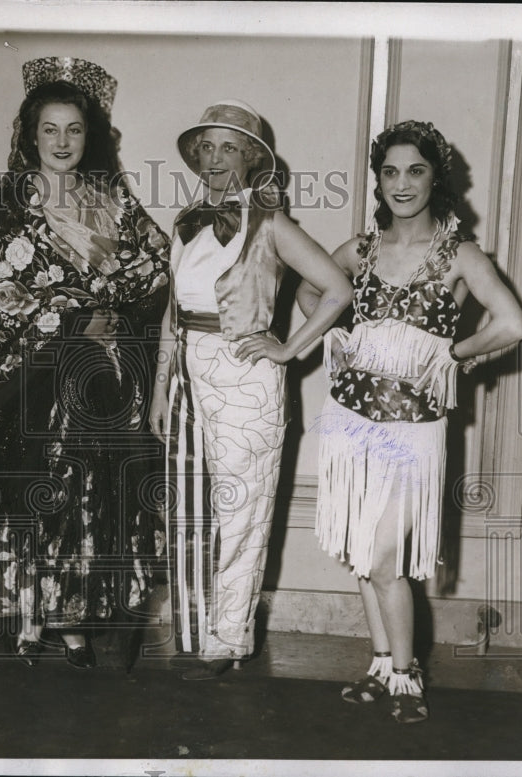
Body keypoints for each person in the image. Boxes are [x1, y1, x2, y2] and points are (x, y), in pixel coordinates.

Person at [300, 120, 522, 721]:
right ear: (378, 180)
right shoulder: (362, 249)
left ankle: (407, 677)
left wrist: (451, 354)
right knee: (360, 552)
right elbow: (310, 291)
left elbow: (512, 325)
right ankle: (379, 663)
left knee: (382, 557)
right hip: (350, 418)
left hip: (413, 430)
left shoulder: (460, 254)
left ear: (436, 177)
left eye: (416, 170)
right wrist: (341, 336)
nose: (402, 184)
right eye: (391, 171)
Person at [149, 100, 354, 680]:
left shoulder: (272, 224)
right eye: (206, 148)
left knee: (241, 513)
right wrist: (161, 387)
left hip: (245, 377)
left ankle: (228, 640)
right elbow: (173, 314)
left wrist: (289, 350)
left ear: (251, 160)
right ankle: (195, 632)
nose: (214, 159)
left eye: (228, 148)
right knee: (191, 510)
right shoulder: (187, 223)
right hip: (189, 371)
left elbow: (337, 288)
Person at [0, 57, 170, 669]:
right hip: (45, 377)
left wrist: (110, 305)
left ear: (91, 137)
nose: (62, 143)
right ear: (30, 136)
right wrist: (71, 316)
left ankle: (98, 612)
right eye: (50, 130)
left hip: (113, 375)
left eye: (74, 130)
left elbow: (160, 262)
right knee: (59, 494)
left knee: (106, 499)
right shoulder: (15, 203)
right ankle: (54, 620)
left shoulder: (111, 198)